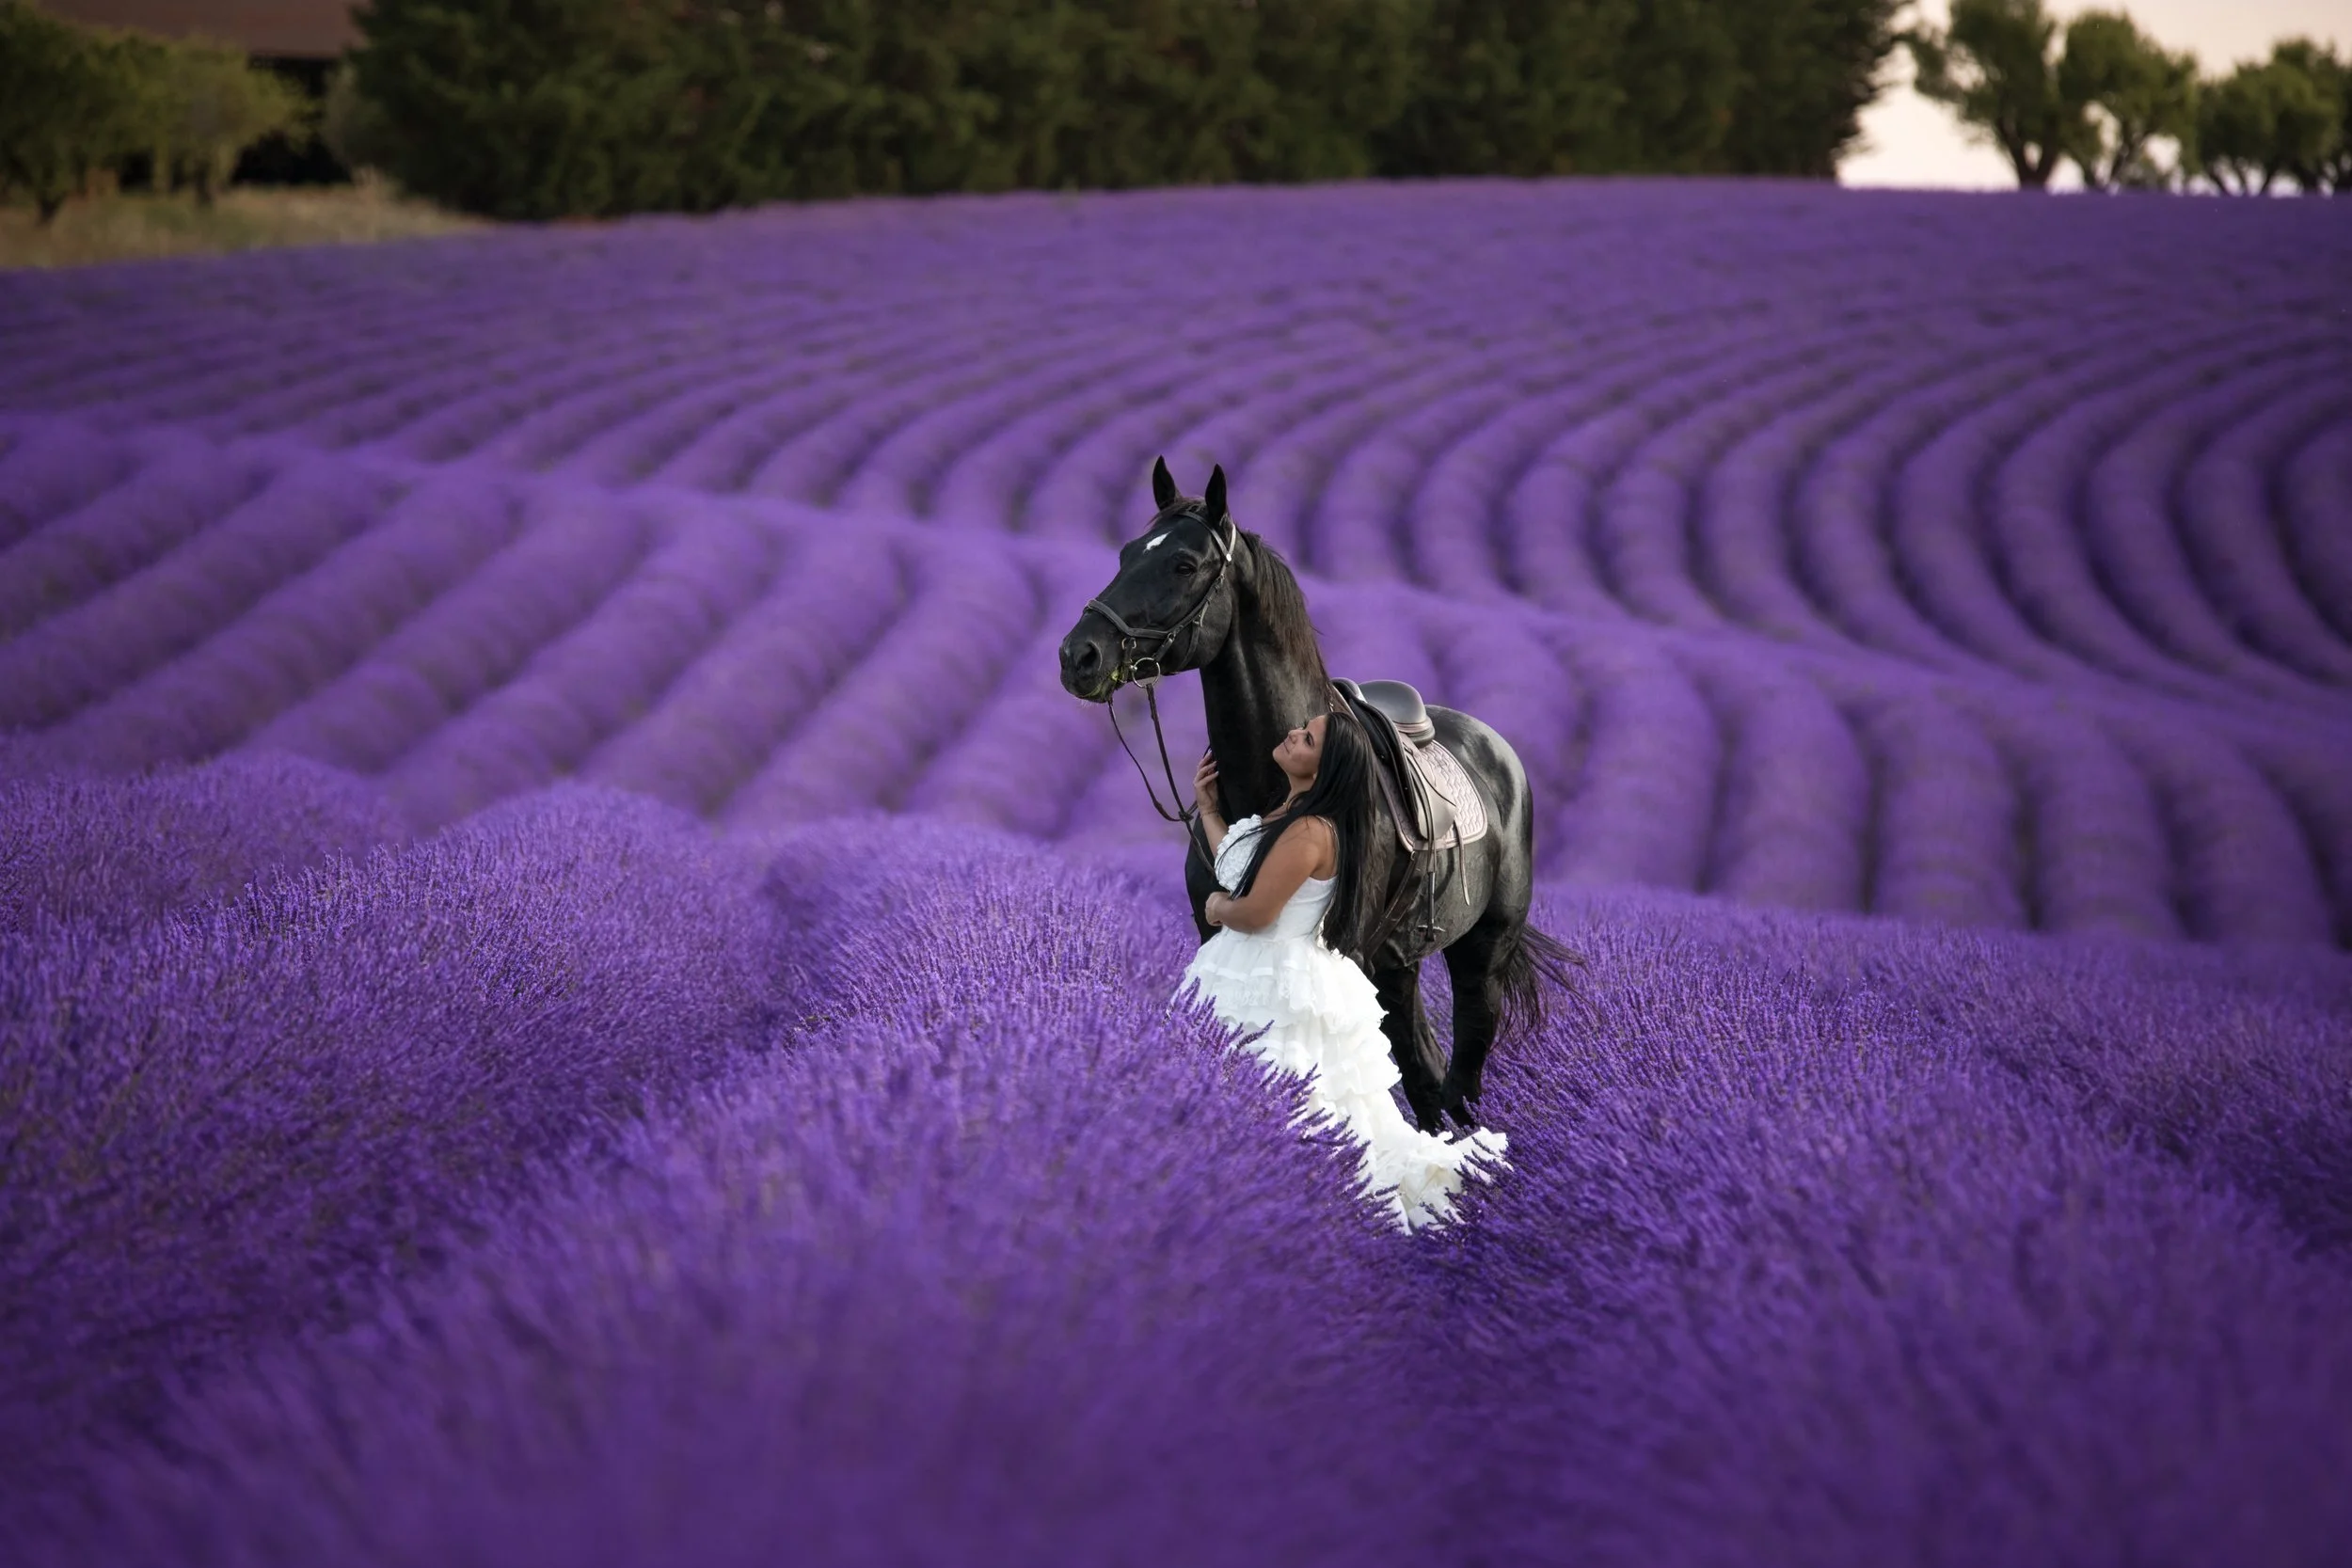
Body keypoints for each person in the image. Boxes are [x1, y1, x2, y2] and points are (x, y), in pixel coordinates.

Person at [1177, 709, 1507, 1231]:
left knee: (1293, 1109)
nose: (1291, 733)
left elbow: (1259, 913)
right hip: (1258, 970)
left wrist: (1217, 911)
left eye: (1306, 738)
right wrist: (1208, 811)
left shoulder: (1309, 830)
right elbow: (1241, 865)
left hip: (1277, 980)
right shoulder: (1292, 810)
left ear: (1323, 767)